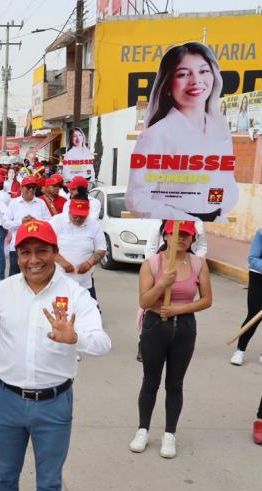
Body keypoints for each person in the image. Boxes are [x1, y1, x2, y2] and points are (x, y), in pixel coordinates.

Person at [0, 219, 111, 491]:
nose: (33, 260)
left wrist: (75, 337)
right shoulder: (4, 291)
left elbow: (102, 343)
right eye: (25, 252)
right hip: (6, 399)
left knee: (49, 481)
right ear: (17, 255)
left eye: (41, 251)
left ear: (55, 252)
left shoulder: (75, 294)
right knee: (5, 474)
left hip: (54, 403)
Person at [126, 42, 237, 222]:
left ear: (214, 76)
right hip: (174, 226)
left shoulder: (220, 130)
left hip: (216, 224)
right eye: (183, 74)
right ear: (168, 85)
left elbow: (227, 182)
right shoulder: (156, 135)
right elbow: (136, 199)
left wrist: (218, 209)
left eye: (203, 71)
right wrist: (185, 219)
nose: (196, 80)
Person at [130, 220, 212, 458]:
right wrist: (162, 284)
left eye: (187, 235)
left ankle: (169, 434)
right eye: (177, 234)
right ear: (166, 236)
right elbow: (145, 301)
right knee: (150, 381)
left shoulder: (198, 264)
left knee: (175, 384)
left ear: (193, 239)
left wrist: (179, 309)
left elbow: (206, 299)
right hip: (155, 326)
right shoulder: (152, 264)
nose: (181, 239)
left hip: (185, 328)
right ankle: (143, 430)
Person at [49, 199, 107, 300]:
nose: (78, 219)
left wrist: (89, 263)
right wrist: (62, 261)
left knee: (90, 309)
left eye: (82, 216)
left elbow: (101, 250)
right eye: (75, 216)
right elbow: (47, 246)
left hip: (84, 283)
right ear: (69, 210)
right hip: (58, 281)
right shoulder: (56, 221)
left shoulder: (94, 224)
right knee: (60, 308)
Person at [4, 177, 51, 276]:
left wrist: (36, 222)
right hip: (17, 246)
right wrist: (20, 222)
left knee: (35, 275)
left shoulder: (41, 203)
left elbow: (49, 222)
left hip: (37, 246)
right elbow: (5, 223)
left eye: (33, 187)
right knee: (14, 275)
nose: (31, 190)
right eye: (28, 187)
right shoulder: (14, 203)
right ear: (21, 188)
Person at [231, 227, 262, 367]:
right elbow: (253, 259)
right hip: (259, 277)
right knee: (254, 315)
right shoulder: (261, 233)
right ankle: (240, 350)